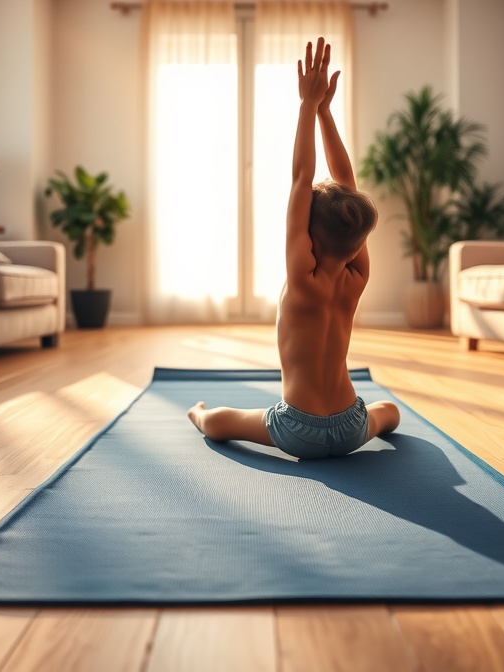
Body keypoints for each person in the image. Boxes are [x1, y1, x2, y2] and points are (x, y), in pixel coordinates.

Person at [188, 37, 400, 459]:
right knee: (388, 412)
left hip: (296, 429)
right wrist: (325, 112)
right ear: (358, 241)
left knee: (218, 422)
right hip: (351, 426)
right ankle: (380, 420)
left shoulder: (303, 279)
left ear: (308, 237)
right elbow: (347, 185)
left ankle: (195, 413)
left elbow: (301, 179)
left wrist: (307, 106)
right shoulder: (358, 276)